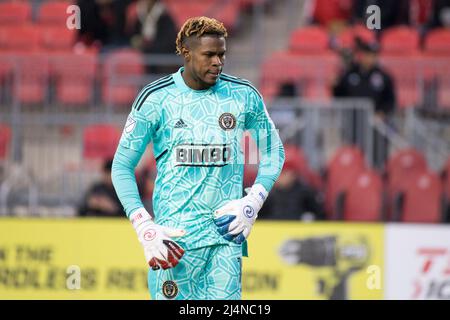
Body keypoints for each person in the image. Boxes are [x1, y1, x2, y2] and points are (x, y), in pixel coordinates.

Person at [111, 17, 285, 300]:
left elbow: (273, 151)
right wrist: (143, 225)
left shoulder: (242, 96)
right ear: (187, 53)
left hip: (224, 238)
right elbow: (121, 166)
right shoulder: (156, 99)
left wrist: (253, 201)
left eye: (222, 54)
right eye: (209, 55)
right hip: (174, 242)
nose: (218, 62)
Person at [333, 37, 396, 169]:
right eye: (367, 55)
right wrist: (334, 85)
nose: (370, 58)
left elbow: (390, 100)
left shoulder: (383, 76)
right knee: (354, 155)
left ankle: (376, 178)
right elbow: (339, 96)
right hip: (353, 123)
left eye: (373, 55)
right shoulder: (350, 74)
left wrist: (382, 113)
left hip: (375, 125)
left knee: (377, 157)